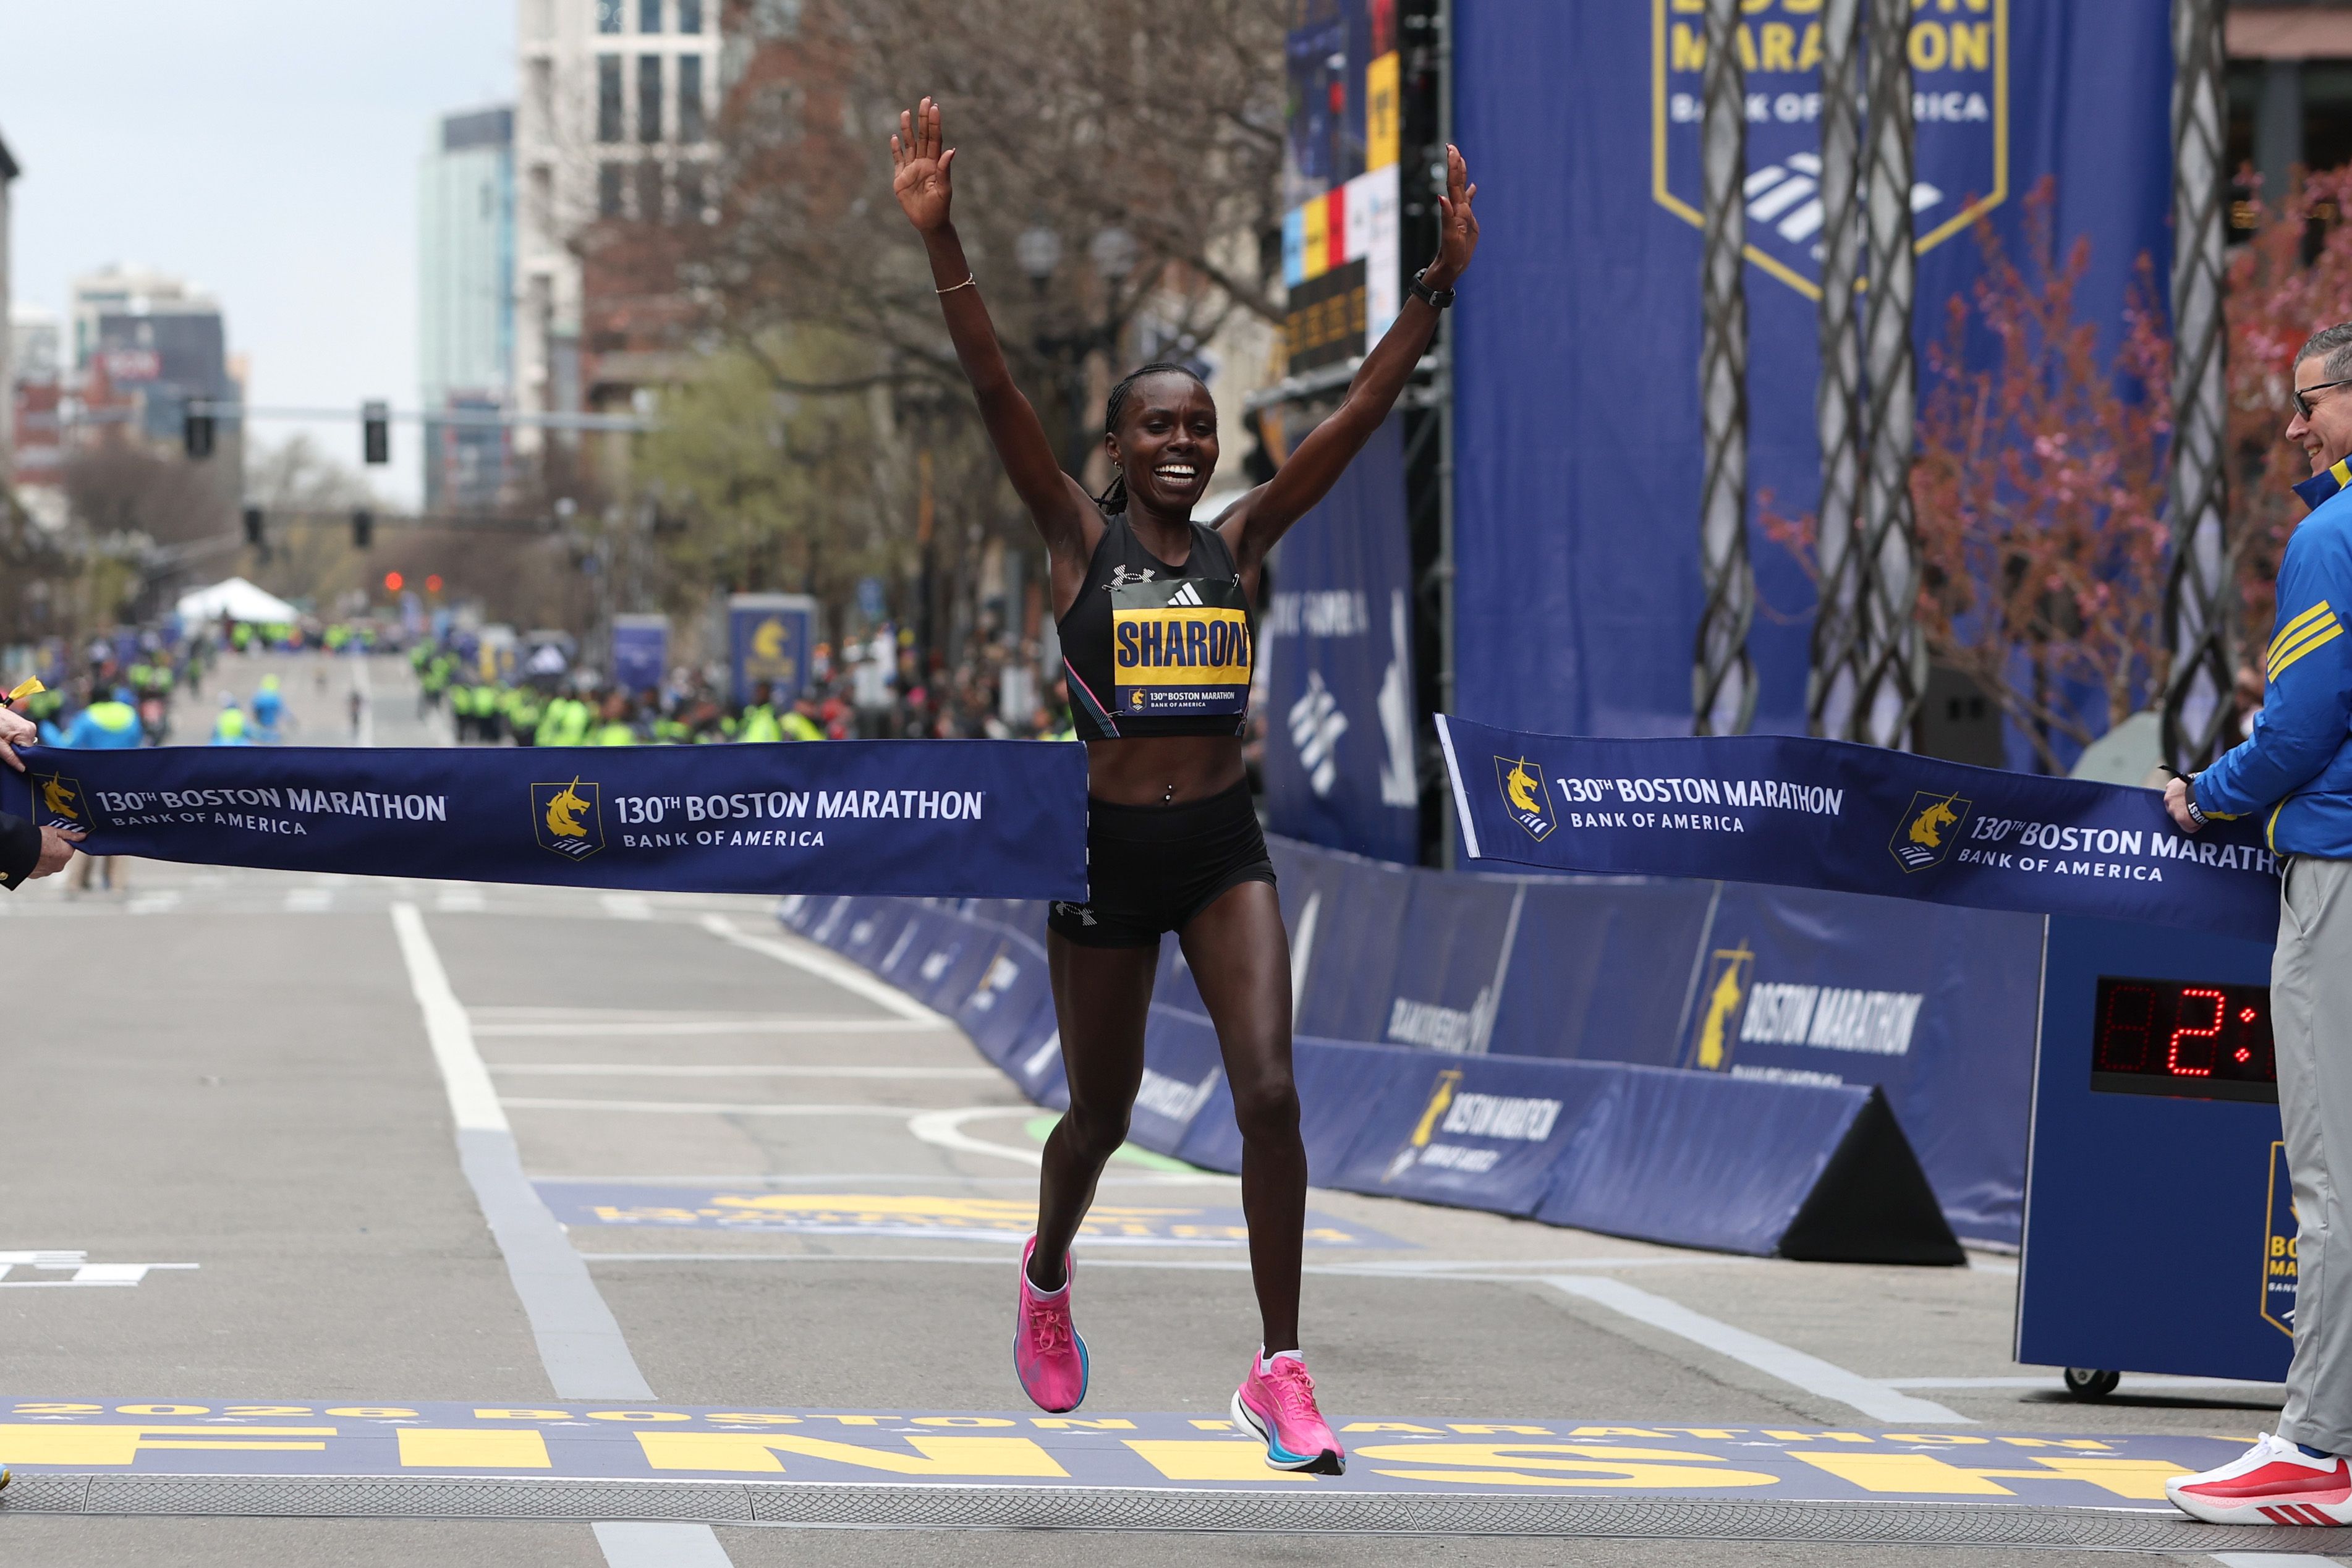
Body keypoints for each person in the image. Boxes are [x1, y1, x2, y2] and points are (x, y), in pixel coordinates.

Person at [892, 96, 1478, 1470]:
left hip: (1221, 847)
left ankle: (1278, 1367)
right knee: (1100, 1115)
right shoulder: (1069, 538)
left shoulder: (1243, 539)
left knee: (1269, 1094)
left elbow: (1363, 407)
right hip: (1098, 858)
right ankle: (1045, 1272)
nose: (1181, 443)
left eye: (1198, 427)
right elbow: (993, 389)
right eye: (1154, 426)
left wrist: (1438, 291)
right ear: (1113, 449)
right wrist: (945, 241)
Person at [2167, 321, 2352, 1526]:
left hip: (2338, 873)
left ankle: (2319, 1446)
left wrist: (2205, 796)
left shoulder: (2331, 533)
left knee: (2333, 1178)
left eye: (2310, 401)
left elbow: (2298, 729)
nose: (2292, 425)